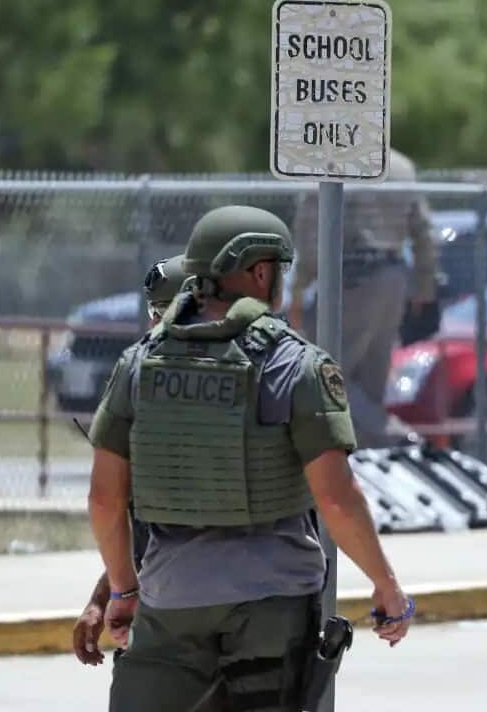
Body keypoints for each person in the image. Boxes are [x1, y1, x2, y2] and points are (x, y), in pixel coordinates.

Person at [88, 206, 413, 712]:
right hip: (273, 603)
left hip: (171, 596)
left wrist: (123, 591)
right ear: (260, 271)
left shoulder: (139, 363)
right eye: (278, 267)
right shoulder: (295, 364)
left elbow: (105, 501)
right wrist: (385, 586)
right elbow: (337, 499)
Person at [72, 254, 190, 666]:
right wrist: (103, 597)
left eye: (165, 312)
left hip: (194, 607)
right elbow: (145, 527)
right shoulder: (142, 385)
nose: (155, 325)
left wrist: (119, 594)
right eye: (153, 312)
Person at [288, 147, 438, 448]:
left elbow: (310, 230)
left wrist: (300, 286)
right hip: (393, 276)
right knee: (371, 381)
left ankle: (393, 437)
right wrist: (424, 287)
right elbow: (424, 232)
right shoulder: (402, 166)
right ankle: (369, 457)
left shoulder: (331, 159)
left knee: (324, 374)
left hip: (348, 277)